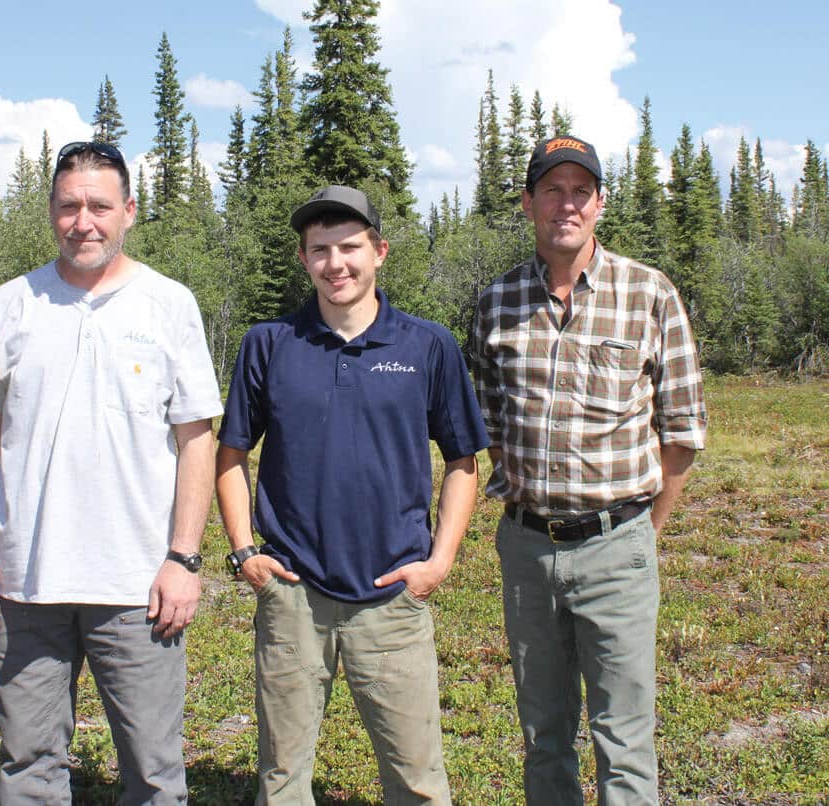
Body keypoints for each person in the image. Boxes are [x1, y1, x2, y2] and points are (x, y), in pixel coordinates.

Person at [0, 141, 223, 804]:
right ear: (51, 211)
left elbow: (197, 440)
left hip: (138, 586)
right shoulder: (11, 304)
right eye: (69, 206)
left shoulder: (168, 304)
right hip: (24, 583)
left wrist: (183, 560)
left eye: (100, 206)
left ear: (129, 211)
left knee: (155, 773)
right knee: (27, 764)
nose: (84, 222)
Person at [216, 185, 489, 805]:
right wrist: (244, 552)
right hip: (291, 596)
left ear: (380, 251)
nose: (335, 263)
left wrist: (438, 562)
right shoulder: (269, 343)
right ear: (304, 259)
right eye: (319, 250)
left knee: (418, 782)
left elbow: (463, 461)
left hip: (391, 597)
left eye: (349, 247)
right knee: (281, 782)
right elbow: (230, 455)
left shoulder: (427, 346)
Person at [470, 136, 707, 805]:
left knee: (624, 739)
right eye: (552, 190)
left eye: (580, 191)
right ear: (529, 204)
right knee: (543, 733)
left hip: (619, 547)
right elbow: (492, 424)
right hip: (526, 550)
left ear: (600, 203)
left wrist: (640, 530)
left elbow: (683, 432)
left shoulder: (649, 294)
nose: (565, 204)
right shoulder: (497, 303)